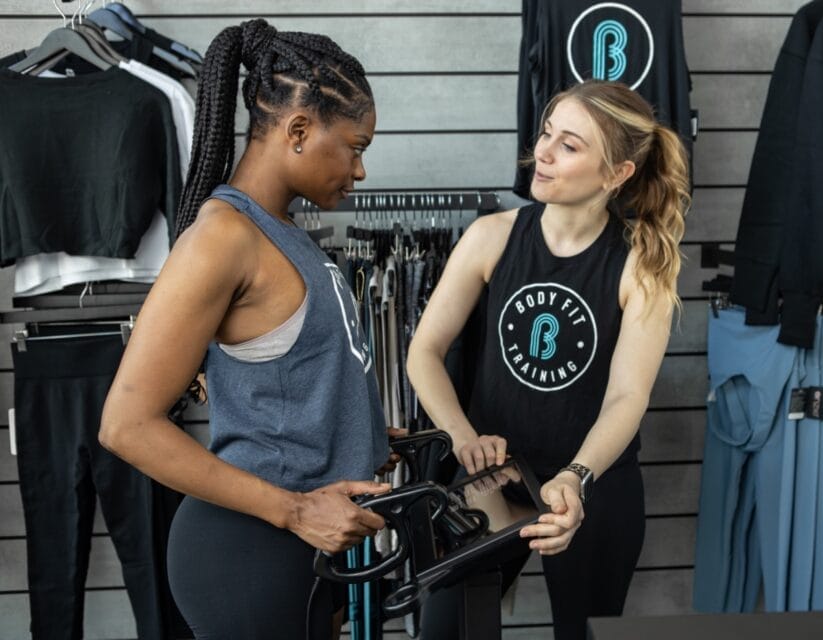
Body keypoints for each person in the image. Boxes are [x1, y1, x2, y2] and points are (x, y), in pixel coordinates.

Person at [99, 19, 394, 640]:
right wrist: (295, 510)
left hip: (305, 549)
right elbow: (126, 425)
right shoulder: (223, 237)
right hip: (252, 552)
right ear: (298, 130)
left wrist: (359, 431)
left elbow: (290, 383)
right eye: (355, 147)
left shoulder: (282, 231)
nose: (360, 169)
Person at [406, 79, 689, 639]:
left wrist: (576, 477)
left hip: (593, 484)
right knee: (444, 632)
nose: (543, 152)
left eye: (569, 145)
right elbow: (424, 352)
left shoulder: (641, 263)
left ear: (616, 174)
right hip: (488, 477)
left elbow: (627, 396)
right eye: (546, 133)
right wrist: (463, 437)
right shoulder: (490, 236)